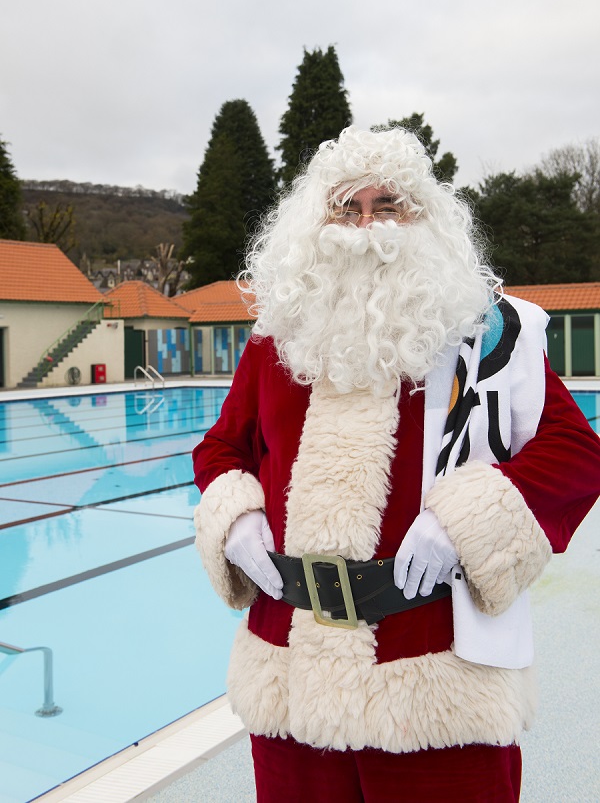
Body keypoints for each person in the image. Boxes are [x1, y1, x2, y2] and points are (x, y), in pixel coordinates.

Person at [192, 126, 600, 802]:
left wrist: (464, 521)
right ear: (314, 221)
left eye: (388, 205)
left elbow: (575, 453)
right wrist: (233, 519)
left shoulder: (485, 332)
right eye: (347, 206)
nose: (365, 225)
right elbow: (222, 448)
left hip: (434, 680)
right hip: (290, 675)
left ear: (425, 219)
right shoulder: (277, 337)